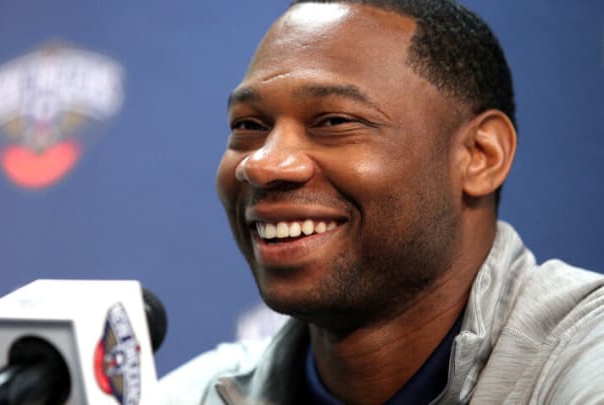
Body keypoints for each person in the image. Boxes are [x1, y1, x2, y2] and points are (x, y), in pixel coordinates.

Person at [161, 0, 604, 403]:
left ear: (479, 156)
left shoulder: (586, 361)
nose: (262, 165)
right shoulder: (197, 393)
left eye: (333, 120)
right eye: (249, 125)